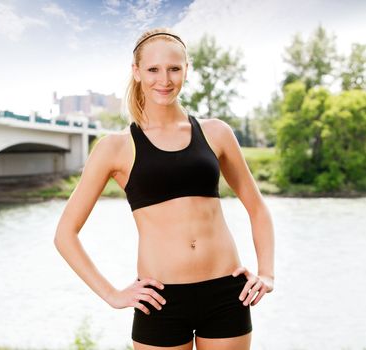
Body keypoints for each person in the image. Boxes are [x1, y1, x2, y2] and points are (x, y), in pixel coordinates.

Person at [54, 27, 275, 350]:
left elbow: (257, 208)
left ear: (187, 69)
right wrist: (112, 294)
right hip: (160, 301)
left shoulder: (217, 133)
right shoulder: (115, 147)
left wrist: (266, 274)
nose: (165, 79)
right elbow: (65, 234)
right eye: (153, 69)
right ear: (137, 72)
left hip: (226, 293)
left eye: (174, 68)